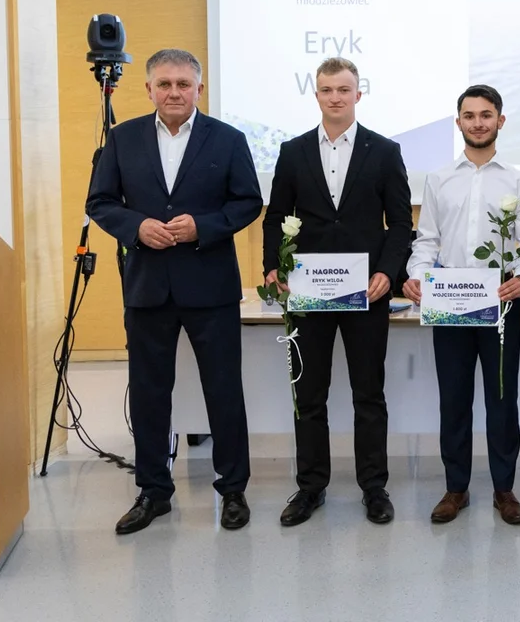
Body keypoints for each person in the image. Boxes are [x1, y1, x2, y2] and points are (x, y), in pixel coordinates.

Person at [86, 48, 262, 534]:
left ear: (199, 89)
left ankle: (233, 490)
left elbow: (248, 201)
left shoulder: (228, 139)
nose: (174, 92)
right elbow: (100, 202)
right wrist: (137, 227)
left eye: (184, 84)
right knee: (148, 394)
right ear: (148, 89)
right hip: (147, 288)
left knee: (223, 391)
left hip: (211, 287)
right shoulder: (122, 139)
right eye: (164, 84)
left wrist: (203, 227)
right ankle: (153, 491)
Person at [262, 57, 413, 527]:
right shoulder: (292, 151)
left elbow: (400, 223)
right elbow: (274, 217)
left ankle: (374, 488)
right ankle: (310, 487)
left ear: (357, 94)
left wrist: (388, 272)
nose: (335, 97)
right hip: (308, 294)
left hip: (367, 293)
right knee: (309, 395)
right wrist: (272, 267)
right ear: (316, 95)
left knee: (369, 394)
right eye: (327, 90)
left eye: (343, 90)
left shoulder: (384, 151)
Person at [403, 85, 520, 525]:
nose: (477, 123)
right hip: (449, 302)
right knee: (454, 398)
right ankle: (456, 488)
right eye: (469, 115)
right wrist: (417, 275)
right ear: (458, 121)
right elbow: (427, 240)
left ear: (500, 120)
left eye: (486, 115)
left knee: (502, 399)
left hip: (500, 303)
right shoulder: (439, 179)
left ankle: (504, 489)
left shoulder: (519, 181)